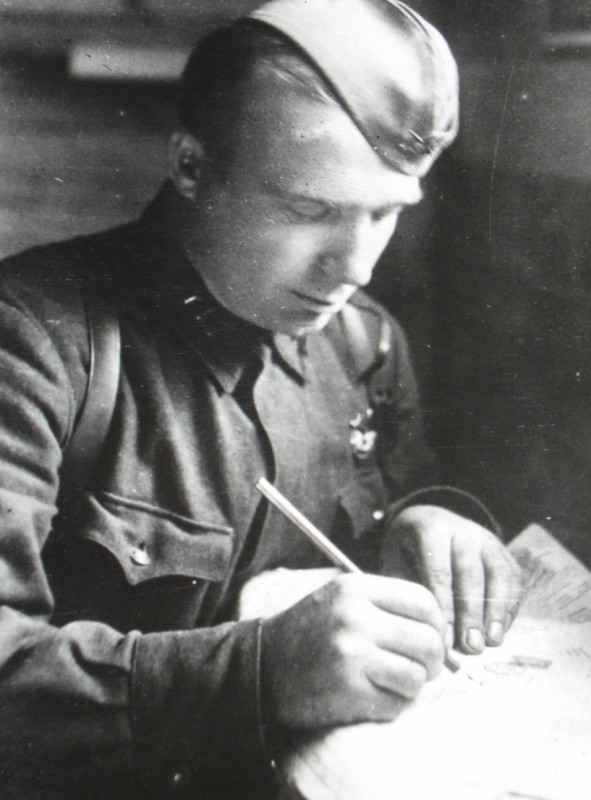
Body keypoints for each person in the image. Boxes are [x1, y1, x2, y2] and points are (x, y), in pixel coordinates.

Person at [0, 1, 522, 798]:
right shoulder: (32, 342)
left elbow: (400, 486)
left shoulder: (367, 344)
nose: (354, 267)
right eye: (309, 210)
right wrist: (259, 672)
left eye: (385, 213)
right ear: (190, 166)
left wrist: (427, 515)